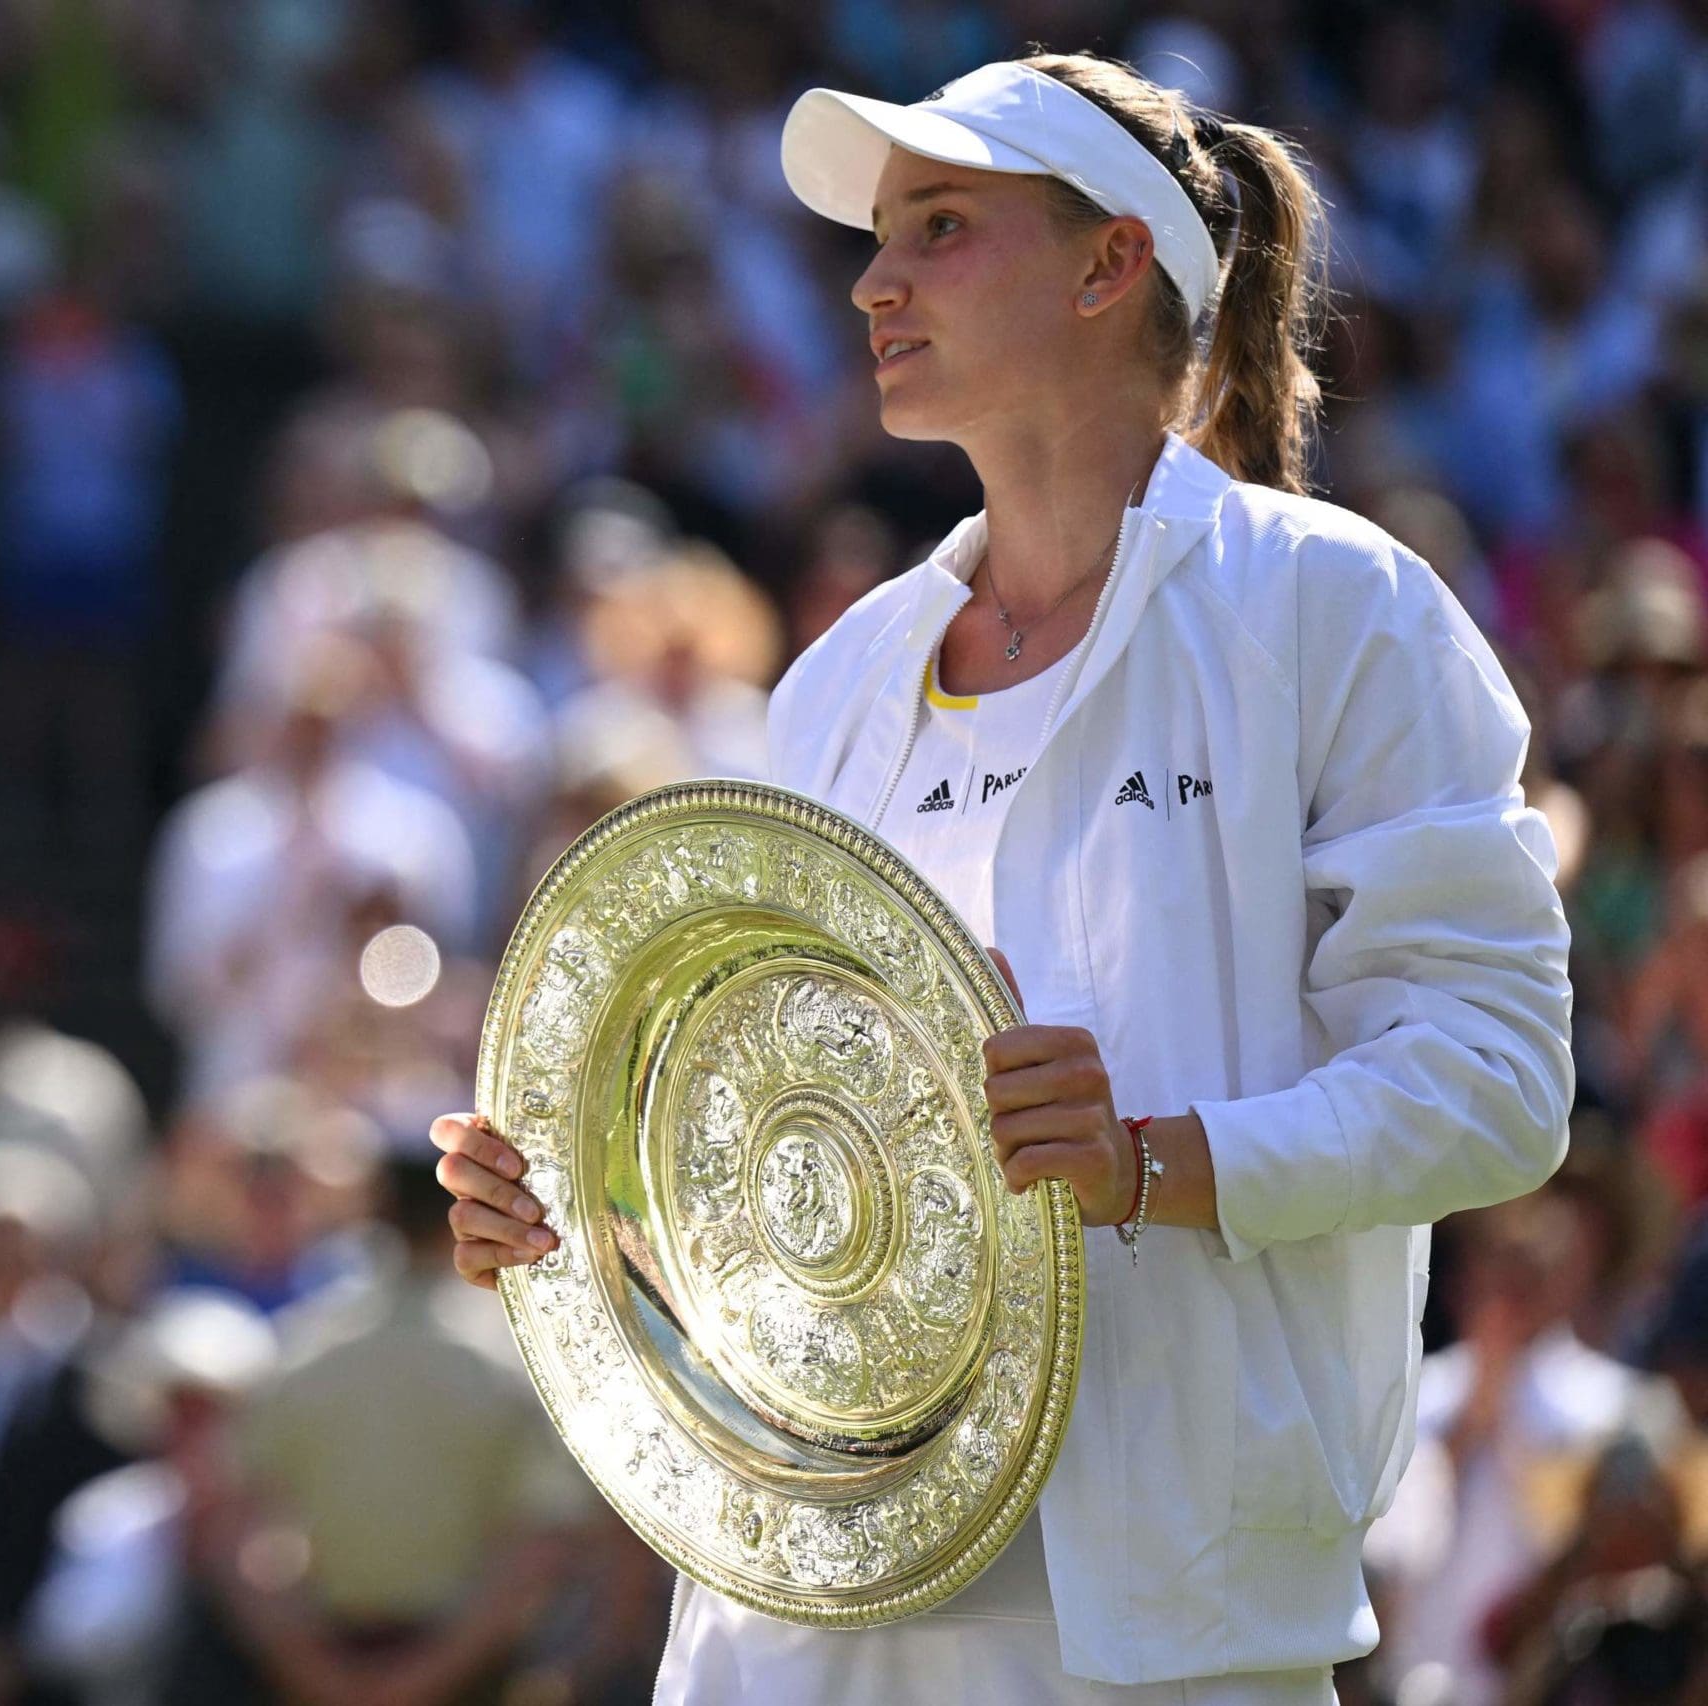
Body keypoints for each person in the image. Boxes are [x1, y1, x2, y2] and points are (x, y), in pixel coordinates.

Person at [432, 52, 1576, 1704]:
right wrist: (587, 1209)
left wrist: (1162, 1162)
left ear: (1113, 262)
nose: (874, 280)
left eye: (943, 226)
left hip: (1167, 1634)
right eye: (880, 237)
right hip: (789, 1615)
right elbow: (792, 1138)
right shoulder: (837, 678)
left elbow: (1500, 1077)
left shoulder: (1339, 608)